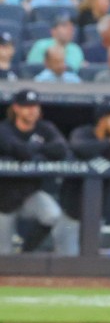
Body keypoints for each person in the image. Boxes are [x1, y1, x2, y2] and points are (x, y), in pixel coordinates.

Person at [57, 100, 110, 257]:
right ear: (103, 121)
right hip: (70, 212)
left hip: (96, 216)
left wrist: (109, 145)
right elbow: (79, 147)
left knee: (92, 263)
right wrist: (108, 143)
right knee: (67, 261)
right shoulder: (83, 133)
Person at [0, 89, 70, 254]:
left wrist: (36, 148)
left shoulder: (45, 128)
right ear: (16, 108)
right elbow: (18, 150)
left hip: (29, 194)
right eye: (27, 106)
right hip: (3, 199)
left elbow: (61, 148)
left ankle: (26, 251)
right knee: (3, 255)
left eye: (35, 106)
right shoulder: (4, 128)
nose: (32, 110)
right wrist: (40, 150)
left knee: (51, 214)